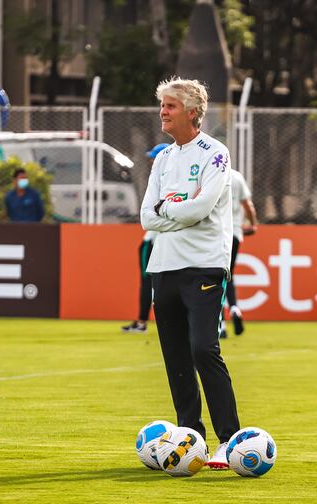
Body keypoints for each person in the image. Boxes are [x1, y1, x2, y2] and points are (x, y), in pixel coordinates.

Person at [140, 77, 240, 469]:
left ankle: (229, 440)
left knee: (203, 349)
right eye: (162, 105)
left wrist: (168, 211)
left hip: (204, 264)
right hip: (163, 266)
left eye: (170, 106)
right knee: (176, 356)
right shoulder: (162, 158)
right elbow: (146, 215)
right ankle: (189, 437)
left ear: (192, 112)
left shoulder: (216, 153)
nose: (163, 112)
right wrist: (172, 211)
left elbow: (200, 210)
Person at [122, 143, 169, 333]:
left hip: (154, 240)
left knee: (148, 283)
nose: (151, 162)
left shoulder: (164, 180)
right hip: (160, 239)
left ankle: (142, 322)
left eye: (154, 158)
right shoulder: (166, 179)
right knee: (156, 284)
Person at [220, 169, 258, 338]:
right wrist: (253, 224)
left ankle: (220, 323)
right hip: (234, 233)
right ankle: (234, 308)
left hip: (215, 233)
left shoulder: (209, 173)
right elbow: (248, 205)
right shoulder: (236, 177)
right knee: (229, 274)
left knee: (213, 277)